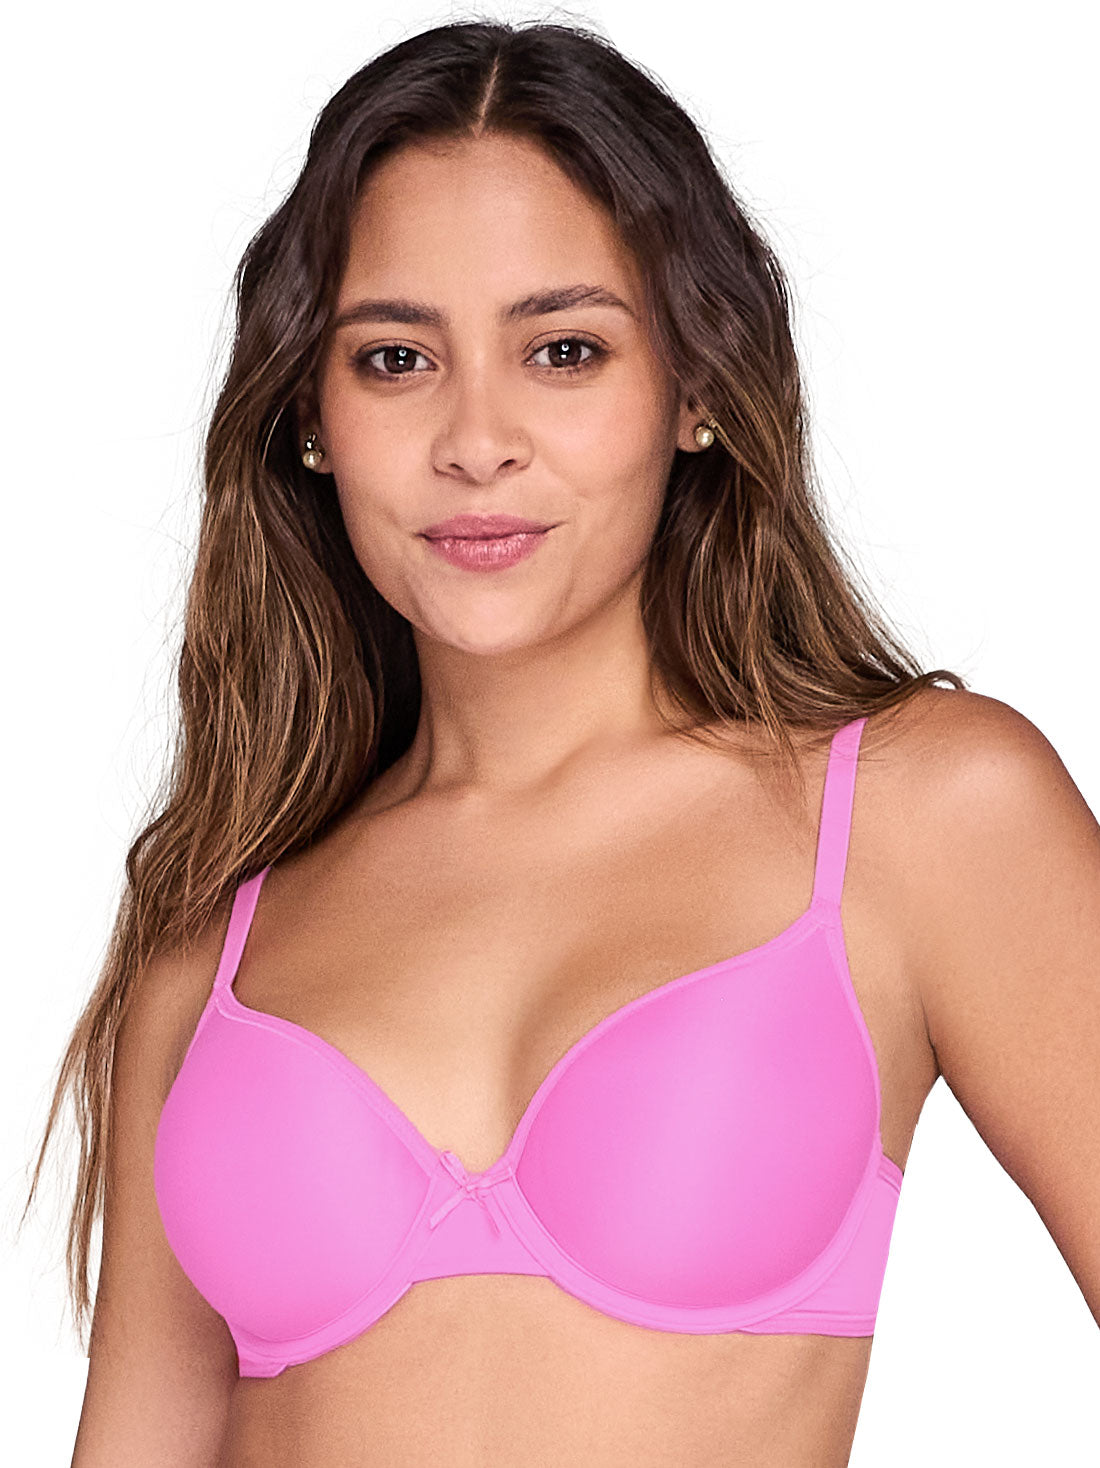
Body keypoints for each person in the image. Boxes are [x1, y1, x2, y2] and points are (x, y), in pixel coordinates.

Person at [24, 18, 1097, 1467]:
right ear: (311, 419)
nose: (477, 440)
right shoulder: (212, 939)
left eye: (564, 350)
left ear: (696, 388)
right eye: (395, 358)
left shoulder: (923, 813)